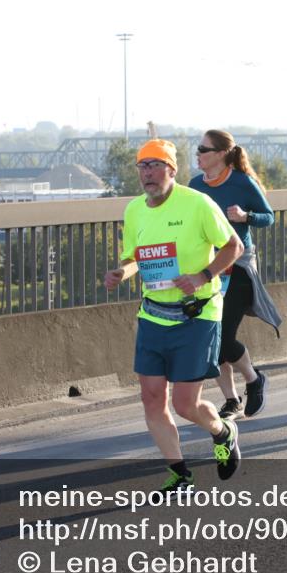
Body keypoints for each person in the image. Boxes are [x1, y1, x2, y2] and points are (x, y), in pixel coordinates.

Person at [104, 139, 245, 492]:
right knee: (151, 396)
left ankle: (223, 431)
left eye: (155, 165)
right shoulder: (135, 209)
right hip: (153, 314)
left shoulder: (197, 204)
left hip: (197, 314)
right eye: (142, 166)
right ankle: (180, 473)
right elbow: (134, 257)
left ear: (172, 169)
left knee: (185, 405)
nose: (147, 172)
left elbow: (233, 247)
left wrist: (201, 276)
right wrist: (123, 272)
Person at [189, 130, 282, 422]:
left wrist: (245, 217)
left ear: (219, 154)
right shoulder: (193, 186)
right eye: (198, 149)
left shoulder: (242, 182)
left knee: (224, 337)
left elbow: (269, 216)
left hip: (239, 265)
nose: (198, 154)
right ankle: (231, 400)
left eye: (203, 149)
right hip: (208, 268)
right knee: (211, 339)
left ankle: (254, 380)